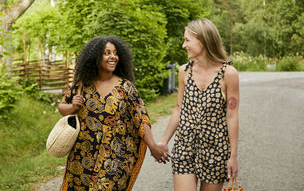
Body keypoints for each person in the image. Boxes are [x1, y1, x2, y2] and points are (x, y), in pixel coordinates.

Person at [58, 36, 167, 190]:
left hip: (114, 160)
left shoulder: (126, 88)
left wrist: (153, 146)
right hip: (81, 159)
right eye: (107, 53)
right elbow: (62, 107)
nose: (113, 57)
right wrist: (73, 107)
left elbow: (141, 119)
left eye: (115, 53)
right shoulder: (83, 84)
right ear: (96, 57)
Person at [157, 19, 239, 191]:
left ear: (203, 40)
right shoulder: (184, 71)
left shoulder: (228, 74)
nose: (183, 45)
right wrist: (164, 141)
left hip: (216, 149)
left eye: (187, 40)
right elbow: (179, 108)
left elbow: (231, 116)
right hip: (185, 145)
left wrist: (232, 156)